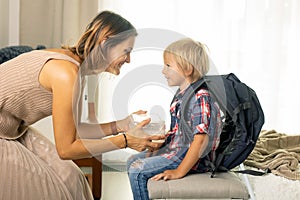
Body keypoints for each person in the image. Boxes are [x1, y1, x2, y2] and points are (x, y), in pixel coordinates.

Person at [0, 10, 164, 200]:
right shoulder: (66, 74)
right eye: (126, 51)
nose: (129, 59)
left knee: (73, 176)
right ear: (106, 43)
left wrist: (121, 125)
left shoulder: (77, 69)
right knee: (52, 191)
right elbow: (66, 149)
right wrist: (126, 140)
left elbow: (79, 133)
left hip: (13, 129)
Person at [127, 38, 223, 200]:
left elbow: (200, 141)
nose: (163, 71)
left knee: (137, 170)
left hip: (191, 159)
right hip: (177, 152)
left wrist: (179, 171)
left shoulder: (201, 97)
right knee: (132, 161)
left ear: (188, 69)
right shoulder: (182, 95)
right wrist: (159, 147)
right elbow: (179, 133)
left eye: (168, 66)